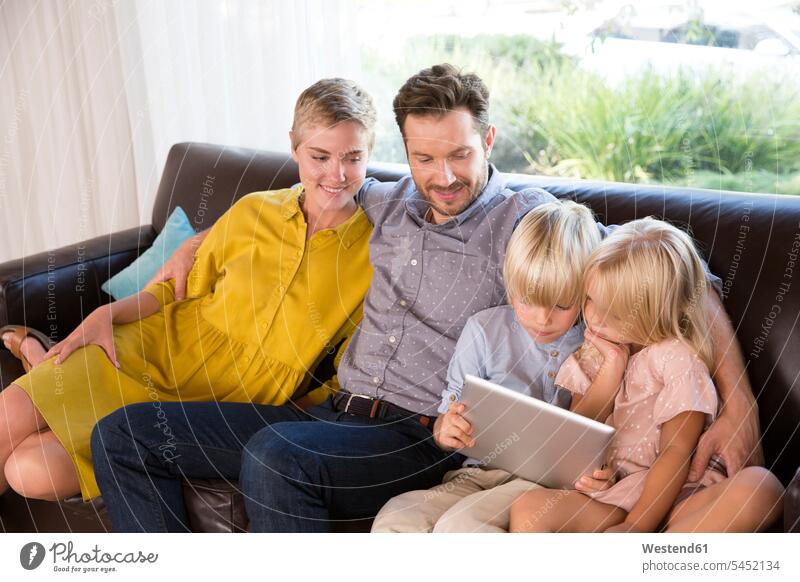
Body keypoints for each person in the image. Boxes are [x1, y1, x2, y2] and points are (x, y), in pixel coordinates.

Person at [92, 64, 762, 532]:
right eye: (424, 158)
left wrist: (739, 401)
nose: (444, 178)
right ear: (403, 150)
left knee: (275, 460)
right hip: (328, 415)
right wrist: (196, 241)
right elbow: (308, 188)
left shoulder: (528, 220)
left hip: (424, 433)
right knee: (123, 435)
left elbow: (674, 268)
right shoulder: (382, 202)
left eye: (461, 156)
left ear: (489, 141)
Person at [0, 78, 377, 503]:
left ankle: (36, 355)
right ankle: (42, 359)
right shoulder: (255, 209)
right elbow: (173, 294)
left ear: (370, 153)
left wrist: (305, 416)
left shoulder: (380, 251)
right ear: (294, 147)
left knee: (30, 471)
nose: (337, 174)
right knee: (6, 415)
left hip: (225, 402)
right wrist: (105, 315)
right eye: (320, 156)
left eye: (353, 158)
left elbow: (354, 364)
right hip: (151, 347)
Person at [509, 219, 784, 533]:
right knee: (528, 507)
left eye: (614, 313)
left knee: (761, 488)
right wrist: (609, 376)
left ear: (660, 312)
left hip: (678, 497)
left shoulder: (676, 357)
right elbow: (576, 432)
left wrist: (638, 525)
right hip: (617, 495)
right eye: (589, 300)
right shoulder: (594, 353)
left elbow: (676, 451)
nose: (594, 318)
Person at [372, 200, 606, 532]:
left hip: (543, 487)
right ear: (510, 285)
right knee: (397, 516)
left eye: (561, 305)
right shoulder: (483, 330)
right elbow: (448, 415)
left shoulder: (595, 344)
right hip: (475, 474)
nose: (543, 319)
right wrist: (446, 429)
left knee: (460, 528)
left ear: (586, 292)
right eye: (527, 301)